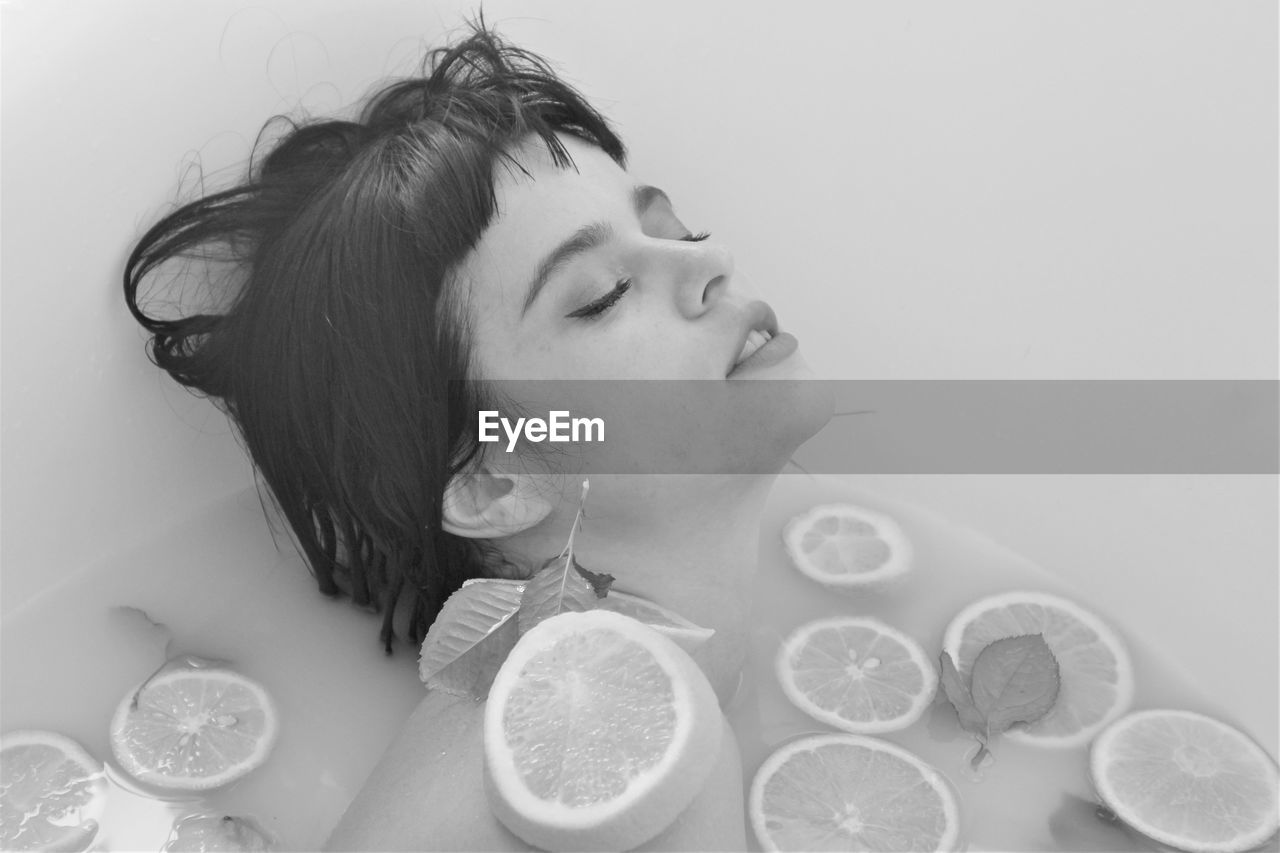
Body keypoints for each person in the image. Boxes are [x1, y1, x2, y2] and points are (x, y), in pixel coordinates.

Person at [124, 22, 831, 851]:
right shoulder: (555, 759)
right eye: (602, 294)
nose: (711, 264)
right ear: (494, 479)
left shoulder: (644, 715)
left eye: (674, 231)